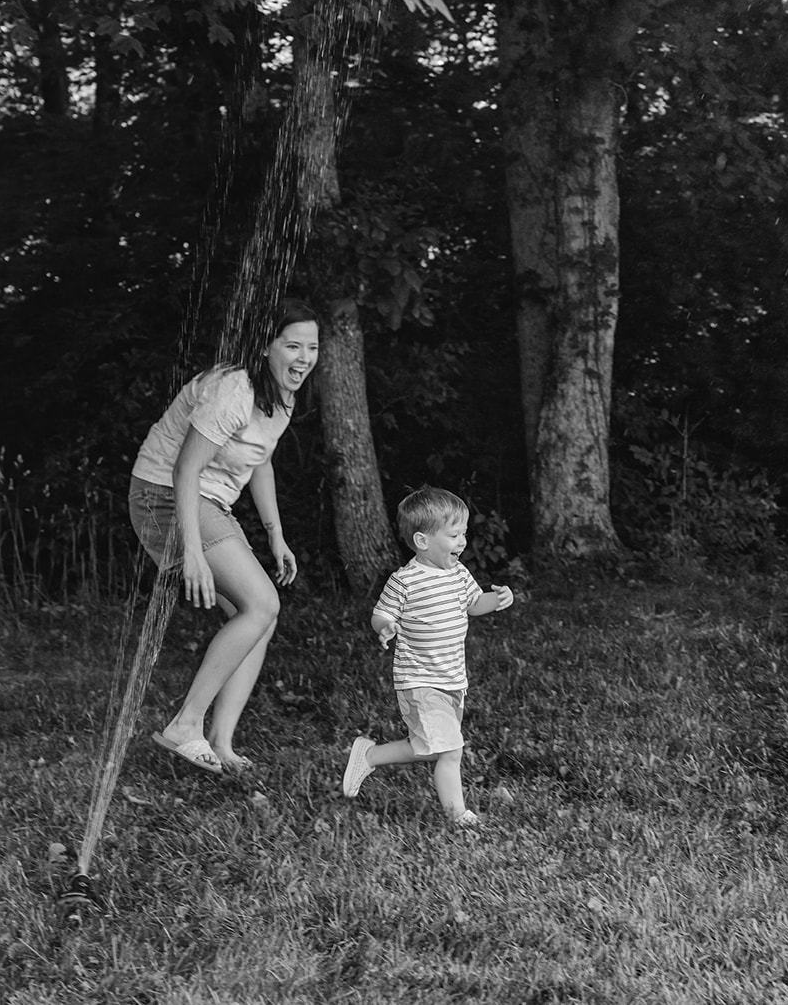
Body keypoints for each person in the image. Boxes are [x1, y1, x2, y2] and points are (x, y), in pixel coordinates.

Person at [127, 297, 320, 775]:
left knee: (258, 616)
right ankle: (184, 726)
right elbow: (185, 470)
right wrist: (191, 552)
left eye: (312, 348)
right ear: (265, 347)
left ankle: (221, 741)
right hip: (165, 495)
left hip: (208, 502)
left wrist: (276, 536)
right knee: (262, 604)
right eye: (292, 346)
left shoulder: (283, 396)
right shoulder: (233, 389)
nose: (303, 358)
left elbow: (261, 460)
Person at [341, 485, 515, 828]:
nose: (463, 542)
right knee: (450, 750)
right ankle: (459, 816)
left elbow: (474, 604)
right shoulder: (404, 581)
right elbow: (381, 613)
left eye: (464, 533)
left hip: (452, 679)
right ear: (423, 541)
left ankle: (370, 754)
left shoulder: (459, 573)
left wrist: (496, 600)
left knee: (428, 747)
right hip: (419, 680)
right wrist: (386, 626)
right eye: (454, 535)